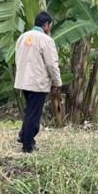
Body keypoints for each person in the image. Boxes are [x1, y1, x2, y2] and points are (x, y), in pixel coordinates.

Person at [14, 11, 62, 153]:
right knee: (34, 114)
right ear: (46, 25)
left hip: (23, 81)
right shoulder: (46, 40)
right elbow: (52, 64)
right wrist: (57, 82)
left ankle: (24, 136)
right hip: (37, 82)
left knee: (30, 110)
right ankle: (27, 145)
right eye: (50, 26)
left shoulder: (23, 37)